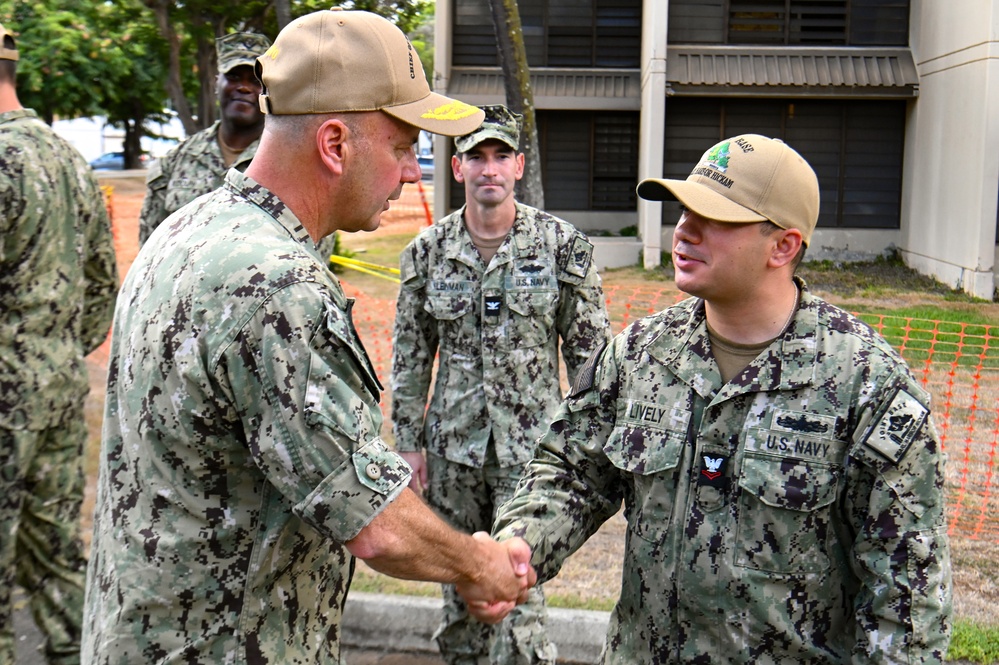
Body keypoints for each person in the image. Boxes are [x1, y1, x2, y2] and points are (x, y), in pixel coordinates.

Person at [81, 10, 536, 664]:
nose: (411, 173)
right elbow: (375, 521)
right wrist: (478, 563)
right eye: (403, 146)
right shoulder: (277, 287)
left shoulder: (190, 229)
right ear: (333, 143)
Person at [490, 134, 953, 663]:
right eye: (685, 209)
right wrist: (521, 544)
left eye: (716, 217)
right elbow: (573, 471)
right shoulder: (640, 354)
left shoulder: (866, 385)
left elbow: (907, 596)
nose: (685, 230)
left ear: (784, 245)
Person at [391, 104, 610, 665]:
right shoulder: (426, 253)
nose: (489, 168)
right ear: (459, 168)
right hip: (452, 452)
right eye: (475, 157)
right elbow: (412, 357)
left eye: (500, 156)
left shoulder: (563, 248)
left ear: (517, 166)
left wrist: (585, 448)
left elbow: (592, 361)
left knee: (520, 588)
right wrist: (409, 443)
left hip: (534, 453)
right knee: (460, 588)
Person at [0, 21, 119, 665]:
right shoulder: (67, 157)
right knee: (56, 561)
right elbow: (104, 280)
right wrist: (54, 352)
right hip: (57, 387)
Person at [137, 31, 270, 246]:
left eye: (255, 80)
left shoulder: (287, 165)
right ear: (216, 84)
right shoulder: (176, 161)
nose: (244, 87)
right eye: (233, 77)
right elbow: (149, 249)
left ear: (269, 91)